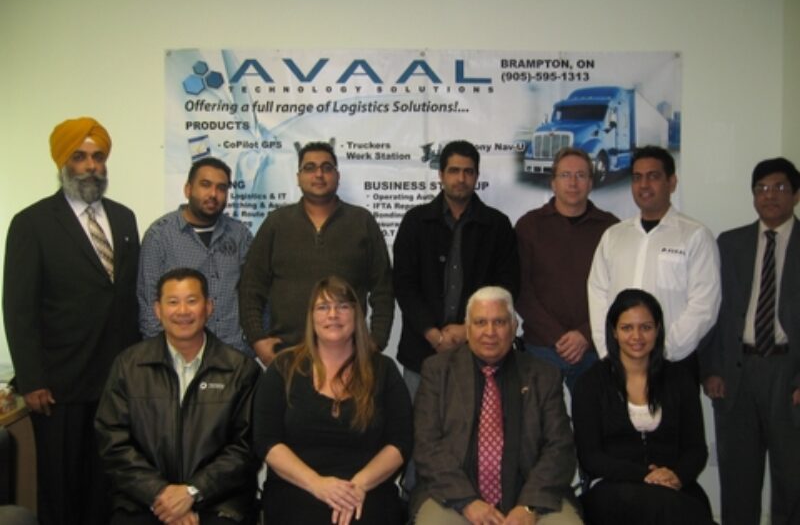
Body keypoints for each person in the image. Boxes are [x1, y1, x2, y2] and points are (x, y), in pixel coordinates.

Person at [2, 117, 140, 525]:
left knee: (110, 484)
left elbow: (125, 297)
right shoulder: (32, 223)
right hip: (58, 385)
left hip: (115, 381)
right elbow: (19, 307)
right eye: (79, 157)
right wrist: (32, 379)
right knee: (62, 489)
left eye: (98, 157)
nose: (91, 166)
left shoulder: (125, 218)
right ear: (62, 163)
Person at [95, 268, 260, 524]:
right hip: (143, 501)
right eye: (173, 302)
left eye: (192, 301)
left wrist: (192, 492)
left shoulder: (240, 369)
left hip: (219, 501)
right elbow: (113, 442)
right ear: (158, 310)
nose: (183, 311)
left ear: (209, 307)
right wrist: (160, 494)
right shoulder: (129, 366)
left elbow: (245, 448)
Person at [412, 286, 582, 525]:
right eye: (481, 322)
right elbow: (427, 446)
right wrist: (467, 502)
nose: (490, 332)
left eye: (499, 322)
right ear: (468, 329)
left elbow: (560, 448)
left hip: (532, 497)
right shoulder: (438, 372)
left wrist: (529, 506)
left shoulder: (543, 375)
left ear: (514, 328)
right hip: (452, 497)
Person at [252, 276, 412, 525]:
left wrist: (358, 485)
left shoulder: (384, 369)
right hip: (298, 491)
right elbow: (266, 441)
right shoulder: (283, 368)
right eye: (323, 307)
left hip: (366, 493)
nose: (333, 314)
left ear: (357, 315)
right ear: (311, 316)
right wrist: (318, 485)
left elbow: (400, 442)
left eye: (343, 306)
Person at [700, 157, 800, 525]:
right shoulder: (730, 243)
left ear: (796, 195)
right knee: (738, 476)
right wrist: (710, 368)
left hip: (789, 375)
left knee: (792, 478)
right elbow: (711, 309)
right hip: (736, 372)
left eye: (779, 188)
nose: (769, 196)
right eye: (761, 189)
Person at [239, 142, 393, 365]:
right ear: (298, 177)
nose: (319, 174)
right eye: (310, 168)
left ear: (337, 176)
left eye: (326, 168)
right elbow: (251, 286)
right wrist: (257, 339)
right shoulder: (277, 223)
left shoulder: (361, 221)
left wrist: (376, 340)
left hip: (348, 356)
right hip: (287, 355)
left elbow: (383, 290)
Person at [572, 289, 714, 525]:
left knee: (687, 506)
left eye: (646, 327)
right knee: (666, 508)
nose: (637, 336)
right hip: (612, 487)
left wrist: (676, 475)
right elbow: (591, 457)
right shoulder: (591, 384)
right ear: (614, 332)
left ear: (658, 330)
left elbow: (696, 449)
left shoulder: (679, 380)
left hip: (673, 484)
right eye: (627, 328)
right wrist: (645, 475)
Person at [393, 140, 519, 399]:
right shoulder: (416, 222)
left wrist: (467, 330)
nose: (461, 178)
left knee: (475, 432)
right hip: (421, 350)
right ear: (441, 175)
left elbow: (507, 286)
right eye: (453, 171)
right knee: (419, 431)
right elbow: (404, 285)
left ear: (476, 176)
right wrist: (432, 334)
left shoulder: (497, 225)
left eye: (468, 171)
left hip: (480, 349)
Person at [587, 145, 720, 376]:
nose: (644, 185)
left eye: (653, 176)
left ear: (672, 182)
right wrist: (609, 351)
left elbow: (704, 305)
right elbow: (597, 294)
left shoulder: (695, 235)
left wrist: (662, 350)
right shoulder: (614, 236)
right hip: (619, 363)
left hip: (674, 362)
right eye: (637, 178)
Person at [515, 147, 617, 392]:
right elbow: (521, 289)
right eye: (565, 175)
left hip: (594, 347)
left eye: (581, 175)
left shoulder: (611, 228)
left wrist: (585, 334)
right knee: (540, 426)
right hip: (542, 347)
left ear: (591, 183)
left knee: (594, 427)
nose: (573, 182)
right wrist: (557, 337)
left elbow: (618, 291)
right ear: (553, 183)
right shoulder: (529, 225)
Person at [138, 156, 253, 355]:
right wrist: (161, 356)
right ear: (188, 189)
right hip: (179, 356)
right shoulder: (160, 235)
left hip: (234, 354)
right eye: (205, 185)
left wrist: (255, 340)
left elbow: (255, 292)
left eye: (221, 188)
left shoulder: (239, 234)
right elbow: (149, 303)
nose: (213, 194)